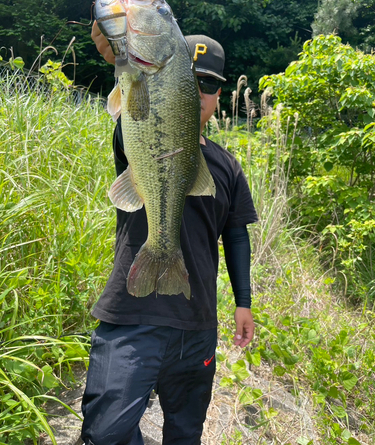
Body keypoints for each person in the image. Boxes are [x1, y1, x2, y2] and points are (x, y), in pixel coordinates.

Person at [81, 25, 258, 445]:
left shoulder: (227, 166)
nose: (198, 93)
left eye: (209, 86)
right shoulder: (139, 128)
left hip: (196, 325)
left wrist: (243, 303)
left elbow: (236, 236)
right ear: (168, 81)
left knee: (185, 434)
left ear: (218, 97)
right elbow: (129, 116)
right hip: (131, 315)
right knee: (104, 434)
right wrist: (123, 58)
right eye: (189, 80)